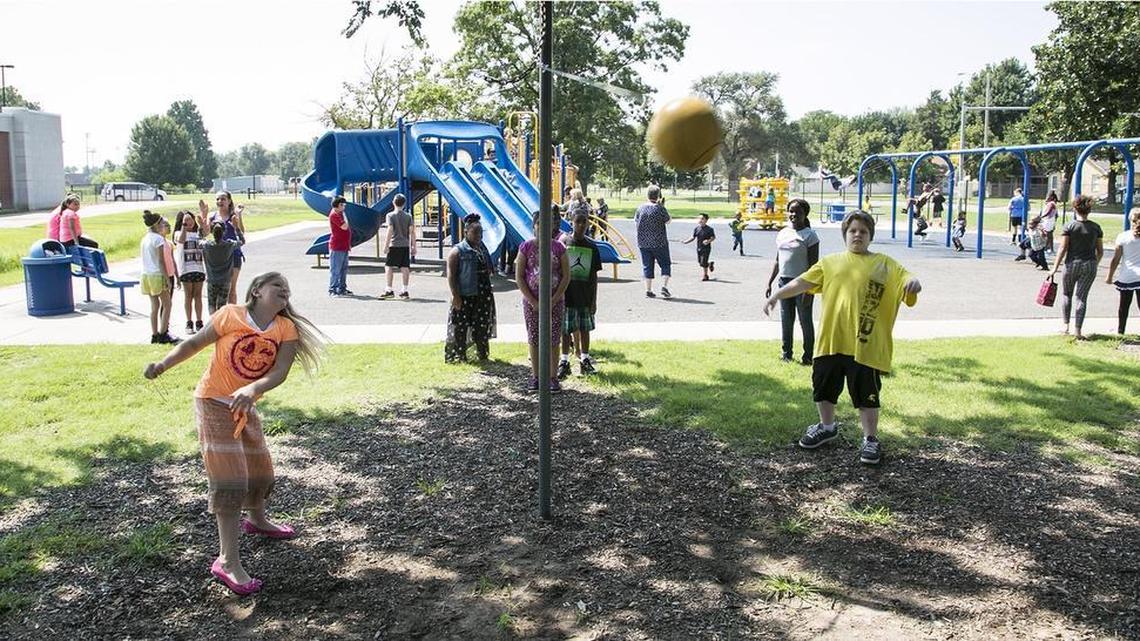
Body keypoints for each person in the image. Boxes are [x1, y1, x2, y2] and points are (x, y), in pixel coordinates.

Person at [143, 272, 324, 596]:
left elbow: (279, 372)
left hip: (244, 403)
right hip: (213, 401)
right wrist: (163, 364)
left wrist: (252, 389)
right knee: (231, 481)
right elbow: (193, 343)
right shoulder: (230, 315)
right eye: (277, 286)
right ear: (256, 290)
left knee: (259, 471)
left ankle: (256, 519)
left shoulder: (285, 328)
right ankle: (227, 561)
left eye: (288, 288)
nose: (285, 291)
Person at [764, 210, 921, 466]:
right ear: (845, 235)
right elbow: (802, 282)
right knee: (823, 388)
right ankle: (827, 427)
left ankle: (870, 439)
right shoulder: (830, 262)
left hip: (865, 345)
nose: (857, 235)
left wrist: (913, 282)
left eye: (863, 231)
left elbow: (907, 278)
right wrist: (776, 295)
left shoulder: (884, 264)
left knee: (866, 395)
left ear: (870, 236)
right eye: (852, 231)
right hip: (831, 341)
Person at [517, 205, 570, 392]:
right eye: (538, 223)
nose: (541, 227)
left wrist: (554, 299)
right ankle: (536, 376)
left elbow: (566, 275)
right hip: (532, 301)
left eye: (545, 223)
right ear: (534, 226)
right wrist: (533, 301)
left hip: (555, 301)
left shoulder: (559, 247)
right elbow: (520, 276)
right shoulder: (526, 247)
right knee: (534, 337)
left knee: (554, 338)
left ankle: (553, 377)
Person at [765, 199, 819, 364]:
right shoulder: (783, 233)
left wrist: (810, 290)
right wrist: (769, 282)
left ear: (805, 214)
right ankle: (786, 353)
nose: (794, 214)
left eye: (798, 212)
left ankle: (808, 356)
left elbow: (814, 266)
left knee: (805, 320)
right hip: (784, 283)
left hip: (802, 284)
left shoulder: (810, 235)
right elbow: (777, 260)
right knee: (786, 320)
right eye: (791, 211)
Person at [1048, 195, 1103, 340]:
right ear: (1089, 210)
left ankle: (1065, 326)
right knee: (1082, 298)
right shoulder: (1096, 227)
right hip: (1089, 264)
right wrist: (1094, 264)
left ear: (1074, 208)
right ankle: (1078, 330)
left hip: (1072, 264)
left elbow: (1063, 248)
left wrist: (1054, 267)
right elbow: (1100, 251)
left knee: (1067, 294)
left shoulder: (1070, 226)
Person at [445, 214, 497, 362]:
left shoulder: (482, 249)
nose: (479, 236)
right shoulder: (458, 251)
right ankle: (459, 355)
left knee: (481, 324)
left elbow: (489, 268)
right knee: (461, 326)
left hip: (482, 293)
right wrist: (455, 296)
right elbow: (451, 275)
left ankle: (481, 354)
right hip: (465, 294)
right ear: (466, 232)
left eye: (481, 233)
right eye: (475, 233)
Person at [557, 210, 603, 379]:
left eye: (584, 222)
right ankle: (564, 360)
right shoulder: (564, 243)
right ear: (572, 222)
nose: (581, 225)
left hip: (585, 295)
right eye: (578, 221)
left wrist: (594, 300)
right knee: (565, 329)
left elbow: (594, 276)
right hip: (566, 295)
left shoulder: (592, 246)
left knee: (585, 328)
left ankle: (584, 358)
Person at [140, 212, 179, 344]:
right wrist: (167, 280)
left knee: (154, 306)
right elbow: (161, 261)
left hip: (146, 275)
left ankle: (154, 334)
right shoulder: (159, 239)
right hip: (157, 275)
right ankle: (163, 333)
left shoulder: (145, 239)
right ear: (157, 224)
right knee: (167, 304)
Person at [205, 192, 246, 304]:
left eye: (223, 199)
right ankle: (220, 317)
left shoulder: (233, 215)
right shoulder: (212, 216)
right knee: (218, 291)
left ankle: (232, 317)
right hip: (218, 257)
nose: (220, 201)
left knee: (231, 289)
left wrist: (238, 216)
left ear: (229, 201)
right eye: (218, 199)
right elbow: (205, 233)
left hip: (233, 254)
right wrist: (204, 215)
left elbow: (242, 232)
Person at [1105, 208, 1140, 335]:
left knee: (1124, 307)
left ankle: (1121, 331)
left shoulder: (1123, 237)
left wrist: (1109, 276)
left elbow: (1116, 259)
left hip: (1127, 276)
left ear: (1131, 220)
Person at [634, 185, 672, 298]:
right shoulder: (659, 208)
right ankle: (664, 286)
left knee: (647, 265)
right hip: (659, 242)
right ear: (658, 195)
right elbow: (668, 221)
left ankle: (648, 289)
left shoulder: (640, 208)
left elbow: (636, 222)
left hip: (643, 242)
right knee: (665, 264)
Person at [175, 211, 207, 335]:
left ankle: (199, 321)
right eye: (186, 220)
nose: (189, 222)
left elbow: (206, 233)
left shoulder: (197, 234)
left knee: (198, 295)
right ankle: (189, 322)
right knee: (188, 296)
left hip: (198, 268)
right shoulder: (178, 233)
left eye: (190, 219)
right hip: (186, 269)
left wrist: (202, 220)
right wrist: (183, 226)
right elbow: (181, 240)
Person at [202, 222, 243, 315]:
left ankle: (213, 322)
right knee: (222, 305)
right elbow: (242, 241)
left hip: (212, 280)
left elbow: (199, 240)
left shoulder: (207, 245)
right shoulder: (230, 245)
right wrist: (237, 228)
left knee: (211, 304)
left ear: (212, 232)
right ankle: (220, 325)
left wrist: (201, 227)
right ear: (224, 232)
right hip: (225, 280)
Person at [382, 193, 415, 299]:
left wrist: (386, 245)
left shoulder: (390, 215)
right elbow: (412, 232)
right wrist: (413, 246)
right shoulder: (408, 216)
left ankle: (389, 289)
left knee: (388, 266)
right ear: (404, 204)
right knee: (405, 267)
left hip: (394, 244)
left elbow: (390, 229)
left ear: (393, 203)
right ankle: (404, 290)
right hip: (405, 245)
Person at [327, 196, 352, 296]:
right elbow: (345, 226)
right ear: (336, 206)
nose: (343, 207)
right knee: (335, 269)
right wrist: (345, 216)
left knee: (343, 269)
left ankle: (342, 288)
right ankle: (332, 289)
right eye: (341, 205)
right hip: (337, 246)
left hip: (344, 245)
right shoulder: (334, 215)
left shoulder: (340, 213)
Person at [682, 213, 717, 281]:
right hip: (699, 248)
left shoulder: (709, 229)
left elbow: (713, 237)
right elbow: (693, 237)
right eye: (699, 218)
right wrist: (686, 241)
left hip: (706, 248)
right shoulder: (697, 229)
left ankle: (705, 276)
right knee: (700, 263)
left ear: (706, 220)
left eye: (702, 219)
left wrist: (708, 241)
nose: (700, 220)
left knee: (703, 262)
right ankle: (709, 264)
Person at [1009, 188, 1028, 260]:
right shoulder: (1024, 199)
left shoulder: (1013, 199)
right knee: (1021, 228)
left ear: (1017, 192)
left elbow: (1009, 207)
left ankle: (1013, 240)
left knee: (1015, 228)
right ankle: (1020, 240)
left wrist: (1013, 208)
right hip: (1022, 215)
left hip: (1014, 215)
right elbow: (1028, 208)